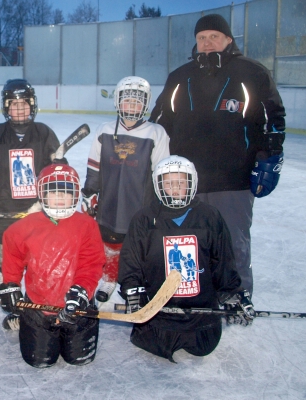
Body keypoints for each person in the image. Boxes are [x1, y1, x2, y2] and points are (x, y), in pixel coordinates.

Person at [149, 14, 286, 297]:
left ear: (228, 40)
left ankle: (237, 295)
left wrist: (270, 157)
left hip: (233, 177)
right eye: (202, 38)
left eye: (214, 37)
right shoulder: (179, 77)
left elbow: (273, 118)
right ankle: (194, 292)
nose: (208, 43)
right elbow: (159, 124)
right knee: (187, 241)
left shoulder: (252, 73)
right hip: (185, 181)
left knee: (233, 240)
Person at [118, 156, 255, 362]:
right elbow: (132, 261)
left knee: (204, 346)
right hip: (157, 315)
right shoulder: (144, 219)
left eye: (181, 182)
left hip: (201, 317)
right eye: (168, 183)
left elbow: (223, 261)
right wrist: (133, 290)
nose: (175, 188)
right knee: (152, 342)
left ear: (192, 183)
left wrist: (231, 293)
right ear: (158, 185)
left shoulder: (210, 216)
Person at [0, 163, 106, 368]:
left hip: (77, 307)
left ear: (75, 194)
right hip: (39, 305)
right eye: (53, 192)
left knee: (79, 359)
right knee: (39, 361)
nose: (60, 198)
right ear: (42, 194)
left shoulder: (87, 225)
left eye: (66, 192)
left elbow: (91, 263)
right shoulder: (23, 227)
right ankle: (25, 321)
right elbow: (13, 255)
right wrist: (10, 284)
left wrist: (82, 290)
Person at [81, 76, 170, 303]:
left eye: (137, 102)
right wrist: (89, 192)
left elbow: (161, 173)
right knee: (110, 241)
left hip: (141, 204)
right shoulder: (105, 130)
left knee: (140, 246)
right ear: (118, 103)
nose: (131, 106)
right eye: (127, 101)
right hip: (110, 200)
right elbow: (94, 167)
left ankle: (135, 283)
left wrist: (161, 204)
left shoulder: (156, 133)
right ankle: (109, 279)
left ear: (146, 104)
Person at [0, 79, 60, 296]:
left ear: (32, 105)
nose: (19, 108)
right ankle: (5, 275)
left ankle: (34, 282)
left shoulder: (44, 133)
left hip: (35, 207)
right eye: (14, 104)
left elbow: (58, 169)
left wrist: (59, 167)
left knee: (37, 252)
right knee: (3, 251)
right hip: (3, 205)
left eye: (24, 103)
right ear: (6, 107)